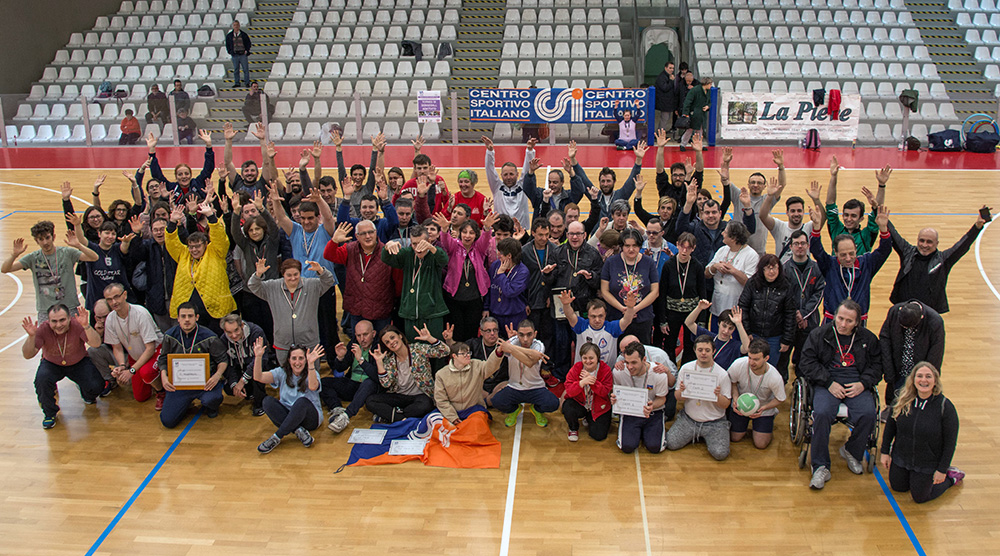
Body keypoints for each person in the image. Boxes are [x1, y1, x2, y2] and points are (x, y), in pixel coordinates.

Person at [799, 300, 881, 490]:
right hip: (827, 383)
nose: (843, 324)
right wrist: (828, 383)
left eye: (849, 321)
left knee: (868, 413)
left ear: (857, 323)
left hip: (856, 384)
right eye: (840, 318)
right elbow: (807, 363)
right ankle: (820, 466)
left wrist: (863, 384)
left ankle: (852, 450)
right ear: (834, 316)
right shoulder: (819, 335)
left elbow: (877, 366)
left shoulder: (868, 339)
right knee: (821, 413)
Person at [270, 185, 340, 357]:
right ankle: (309, 357)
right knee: (307, 324)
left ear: (317, 217)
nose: (307, 222)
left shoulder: (326, 230)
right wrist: (275, 202)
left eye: (310, 218)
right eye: (303, 218)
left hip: (324, 286)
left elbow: (329, 217)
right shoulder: (295, 230)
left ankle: (332, 358)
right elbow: (281, 218)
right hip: (303, 288)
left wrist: (319, 200)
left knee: (328, 325)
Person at [880, 363, 963, 504]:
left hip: (927, 462)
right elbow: (890, 428)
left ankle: (951, 477)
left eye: (928, 376)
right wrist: (884, 452)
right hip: (902, 457)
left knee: (920, 497)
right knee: (898, 487)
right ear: (913, 379)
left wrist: (941, 470)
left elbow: (950, 443)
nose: (923, 380)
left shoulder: (945, 407)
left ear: (935, 380)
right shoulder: (902, 400)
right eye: (919, 376)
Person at [886, 211, 986, 314]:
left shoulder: (943, 260)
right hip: (904, 310)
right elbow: (893, 234)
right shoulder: (907, 252)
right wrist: (877, 210)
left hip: (928, 314)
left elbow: (962, 246)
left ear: (937, 243)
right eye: (922, 241)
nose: (924, 245)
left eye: (929, 242)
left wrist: (976, 227)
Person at [22, 305, 104, 429]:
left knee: (97, 385)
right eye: (54, 321)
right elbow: (28, 355)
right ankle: (50, 414)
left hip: (78, 362)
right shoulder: (43, 329)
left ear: (69, 318)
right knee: (41, 380)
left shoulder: (78, 325)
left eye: (62, 320)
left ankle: (87, 394)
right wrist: (31, 336)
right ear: (48, 321)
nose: (58, 325)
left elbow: (96, 343)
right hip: (52, 364)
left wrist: (86, 326)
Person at [809, 204, 891, 323]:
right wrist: (816, 228)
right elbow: (817, 250)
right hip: (833, 319)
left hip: (857, 321)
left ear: (856, 250)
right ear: (835, 252)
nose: (848, 258)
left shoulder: (866, 263)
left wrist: (883, 229)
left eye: (851, 253)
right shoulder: (830, 264)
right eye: (843, 255)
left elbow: (885, 250)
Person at [3, 219, 97, 322]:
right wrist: (14, 255)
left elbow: (94, 257)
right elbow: (5, 269)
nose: (45, 242)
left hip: (69, 306)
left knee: (73, 337)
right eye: (41, 239)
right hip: (46, 310)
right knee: (45, 338)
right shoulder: (33, 258)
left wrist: (79, 245)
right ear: (36, 241)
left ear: (54, 237)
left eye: (47, 237)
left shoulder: (67, 253)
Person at [165, 200, 236, 333]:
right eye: (191, 247)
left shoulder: (215, 251)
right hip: (190, 314)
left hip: (215, 311)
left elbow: (220, 237)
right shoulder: (183, 254)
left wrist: (211, 217)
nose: (194, 250)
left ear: (205, 244)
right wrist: (172, 223)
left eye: (198, 246)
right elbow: (171, 242)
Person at [248, 258, 335, 365]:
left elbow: (329, 281)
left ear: (300, 272)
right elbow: (253, 286)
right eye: (289, 275)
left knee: (312, 375)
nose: (293, 278)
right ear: (283, 274)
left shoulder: (312, 285)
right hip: (283, 343)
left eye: (296, 274)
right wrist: (258, 274)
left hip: (309, 342)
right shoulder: (272, 287)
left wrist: (321, 271)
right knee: (286, 376)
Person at [157, 303, 229, 428]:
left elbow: (223, 360)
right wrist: (164, 377)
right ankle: (184, 404)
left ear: (197, 317)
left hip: (205, 383)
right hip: (179, 384)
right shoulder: (169, 336)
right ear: (178, 318)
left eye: (190, 316)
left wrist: (217, 376)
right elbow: (163, 359)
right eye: (183, 316)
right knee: (167, 421)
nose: (186, 320)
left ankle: (211, 407)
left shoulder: (209, 337)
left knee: (212, 400)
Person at [324, 220, 395, 339]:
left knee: (381, 344)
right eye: (363, 234)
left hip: (381, 309)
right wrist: (334, 241)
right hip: (357, 309)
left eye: (370, 232)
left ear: (376, 232)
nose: (368, 236)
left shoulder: (387, 251)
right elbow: (329, 255)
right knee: (359, 344)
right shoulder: (350, 249)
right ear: (357, 236)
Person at [432, 212, 496, 343]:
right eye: (465, 232)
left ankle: (470, 358)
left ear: (475, 235)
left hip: (474, 299)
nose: (467, 236)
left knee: (472, 332)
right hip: (454, 298)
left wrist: (487, 228)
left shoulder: (479, 248)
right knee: (457, 332)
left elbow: (485, 239)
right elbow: (445, 241)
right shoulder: (454, 246)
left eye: (471, 233)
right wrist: (444, 230)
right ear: (460, 233)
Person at [665, 334, 733, 459]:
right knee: (670, 443)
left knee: (720, 454)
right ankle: (695, 434)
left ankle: (710, 435)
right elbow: (677, 397)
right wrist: (683, 392)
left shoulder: (722, 374)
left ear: (713, 351)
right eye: (700, 350)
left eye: (707, 350)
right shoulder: (686, 369)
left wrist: (717, 396)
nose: (703, 353)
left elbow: (726, 404)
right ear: (694, 350)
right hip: (689, 420)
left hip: (715, 422)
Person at [253, 339, 324, 453]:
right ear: (289, 360)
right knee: (267, 401)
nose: (297, 362)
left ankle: (276, 437)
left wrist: (311, 364)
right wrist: (258, 357)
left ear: (305, 360)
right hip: (288, 416)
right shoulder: (282, 372)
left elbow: (313, 387)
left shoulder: (312, 372)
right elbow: (258, 377)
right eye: (294, 358)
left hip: (310, 418)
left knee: (301, 402)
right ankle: (297, 430)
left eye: (301, 358)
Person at [367, 325, 450, 422]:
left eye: (392, 337)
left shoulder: (417, 349)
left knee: (425, 405)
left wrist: (429, 338)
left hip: (420, 396)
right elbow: (386, 384)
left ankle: (393, 416)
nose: (391, 343)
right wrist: (379, 363)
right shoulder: (388, 359)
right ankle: (401, 417)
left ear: (400, 336)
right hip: (400, 396)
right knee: (370, 401)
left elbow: (445, 351)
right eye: (387, 342)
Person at [382, 225, 449, 341]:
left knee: (436, 349)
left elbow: (444, 260)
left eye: (421, 243)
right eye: (414, 244)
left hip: (432, 312)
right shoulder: (407, 254)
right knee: (414, 350)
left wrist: (431, 248)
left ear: (428, 241)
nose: (418, 248)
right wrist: (387, 247)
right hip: (410, 313)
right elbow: (387, 259)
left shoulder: (434, 255)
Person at [103, 282, 165, 407]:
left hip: (156, 352)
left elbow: (150, 348)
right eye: (109, 299)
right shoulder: (110, 319)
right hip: (135, 357)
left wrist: (131, 370)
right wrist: (121, 366)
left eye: (117, 297)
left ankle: (161, 392)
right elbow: (117, 347)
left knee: (146, 372)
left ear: (124, 295)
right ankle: (151, 381)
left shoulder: (140, 313)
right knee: (140, 397)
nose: (114, 302)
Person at [879, 300, 945, 411]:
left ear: (921, 317)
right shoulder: (894, 312)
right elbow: (885, 338)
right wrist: (888, 370)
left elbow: (935, 355)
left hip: (918, 371)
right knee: (895, 403)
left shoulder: (935, 321)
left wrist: (925, 377)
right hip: (897, 368)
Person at [490, 320, 558, 427]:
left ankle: (536, 409)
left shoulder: (539, 345)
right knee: (496, 401)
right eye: (521, 335)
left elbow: (530, 362)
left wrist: (511, 348)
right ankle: (514, 410)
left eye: (529, 335)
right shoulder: (512, 341)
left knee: (553, 404)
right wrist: (513, 347)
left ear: (535, 334)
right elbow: (501, 350)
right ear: (517, 334)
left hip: (536, 387)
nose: (525, 339)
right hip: (514, 387)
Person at [778, 230, 825, 382]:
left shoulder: (817, 268)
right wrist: (796, 314)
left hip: (809, 321)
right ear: (790, 247)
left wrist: (804, 314)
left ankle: (802, 382)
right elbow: (784, 296)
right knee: (784, 354)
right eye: (796, 244)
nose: (800, 247)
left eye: (803, 243)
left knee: (805, 353)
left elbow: (818, 294)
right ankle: (782, 383)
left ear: (808, 245)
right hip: (789, 322)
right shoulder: (784, 269)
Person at [719, 147, 786, 255]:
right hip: (736, 249)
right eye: (753, 182)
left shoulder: (767, 200)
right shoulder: (739, 195)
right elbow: (725, 180)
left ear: (764, 186)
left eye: (759, 183)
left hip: (758, 251)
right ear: (748, 184)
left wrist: (781, 167)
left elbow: (782, 185)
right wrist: (726, 163)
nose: (755, 185)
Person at [676, 180, 757, 267]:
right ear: (702, 214)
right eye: (707, 213)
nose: (711, 215)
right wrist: (688, 203)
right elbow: (680, 229)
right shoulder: (695, 227)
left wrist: (747, 206)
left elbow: (749, 230)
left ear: (720, 213)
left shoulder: (728, 228)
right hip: (700, 275)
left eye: (714, 212)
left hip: (723, 274)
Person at [601, 229, 660, 345]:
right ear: (621, 246)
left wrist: (633, 309)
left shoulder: (648, 263)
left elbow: (655, 291)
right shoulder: (611, 262)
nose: (631, 249)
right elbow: (604, 290)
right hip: (617, 317)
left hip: (642, 317)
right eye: (627, 246)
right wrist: (623, 309)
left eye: (635, 245)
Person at [819, 159, 889, 255]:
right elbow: (830, 204)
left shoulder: (866, 236)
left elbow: (878, 215)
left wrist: (881, 186)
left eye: (853, 216)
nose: (849, 219)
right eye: (846, 215)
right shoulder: (837, 230)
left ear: (861, 219)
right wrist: (833, 176)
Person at [727, 338, 787, 449]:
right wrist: (735, 398)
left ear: (766, 358)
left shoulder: (775, 377)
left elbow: (781, 398)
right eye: (749, 358)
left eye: (756, 359)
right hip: (741, 405)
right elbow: (732, 382)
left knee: (760, 444)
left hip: (763, 408)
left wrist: (764, 408)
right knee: (735, 438)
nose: (751, 362)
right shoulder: (739, 364)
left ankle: (769, 418)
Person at [611, 342, 670, 453]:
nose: (629, 367)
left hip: (653, 413)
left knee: (655, 448)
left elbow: (662, 399)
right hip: (630, 412)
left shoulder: (659, 373)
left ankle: (646, 432)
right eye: (627, 362)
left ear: (644, 359)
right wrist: (614, 399)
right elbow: (616, 394)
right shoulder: (619, 372)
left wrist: (652, 406)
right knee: (627, 447)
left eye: (634, 362)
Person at [655, 232, 704, 365]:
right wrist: (662, 320)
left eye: (688, 248)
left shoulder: (697, 266)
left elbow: (703, 294)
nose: (684, 250)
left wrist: (701, 321)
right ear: (677, 245)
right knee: (669, 344)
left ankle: (685, 372)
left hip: (691, 314)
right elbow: (662, 293)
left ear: (693, 248)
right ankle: (670, 371)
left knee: (690, 345)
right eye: (682, 246)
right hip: (672, 313)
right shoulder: (669, 265)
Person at [324, 320, 382, 433]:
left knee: (369, 383)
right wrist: (340, 358)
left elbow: (377, 377)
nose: (362, 339)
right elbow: (341, 368)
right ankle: (337, 408)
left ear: (373, 334)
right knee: (323, 382)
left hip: (371, 387)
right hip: (352, 384)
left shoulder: (379, 348)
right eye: (359, 335)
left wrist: (361, 360)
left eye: (365, 335)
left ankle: (346, 416)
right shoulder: (353, 344)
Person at [738, 254, 796, 363]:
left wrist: (786, 340)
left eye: (774, 268)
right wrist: (747, 331)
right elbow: (743, 307)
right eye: (768, 268)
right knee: (753, 365)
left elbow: (790, 314)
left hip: (775, 337)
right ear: (762, 269)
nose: (771, 271)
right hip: (754, 334)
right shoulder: (752, 283)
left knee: (771, 368)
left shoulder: (786, 286)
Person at [434, 341, 504, 427]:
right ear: (454, 356)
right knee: (433, 424)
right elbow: (441, 400)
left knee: (476, 426)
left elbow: (491, 366)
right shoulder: (441, 374)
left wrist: (498, 352)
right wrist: (453, 417)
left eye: (468, 353)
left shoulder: (477, 365)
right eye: (463, 354)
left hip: (473, 410)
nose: (468, 355)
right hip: (451, 411)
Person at [706, 220, 758, 331]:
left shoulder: (751, 255)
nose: (722, 234)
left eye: (725, 232)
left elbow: (750, 283)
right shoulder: (722, 250)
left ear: (733, 238)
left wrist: (733, 271)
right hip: (717, 308)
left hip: (737, 312)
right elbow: (706, 274)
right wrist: (715, 266)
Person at [560, 291, 636, 367]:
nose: (597, 320)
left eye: (600, 316)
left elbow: (627, 320)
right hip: (582, 372)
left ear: (605, 315)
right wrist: (566, 305)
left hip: (607, 374)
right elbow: (570, 315)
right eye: (593, 316)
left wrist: (630, 307)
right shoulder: (581, 326)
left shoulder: (612, 328)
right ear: (588, 315)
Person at [220, 312, 273, 417]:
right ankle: (248, 392)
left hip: (258, 365)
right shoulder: (223, 340)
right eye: (229, 332)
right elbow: (229, 365)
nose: (234, 335)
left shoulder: (256, 332)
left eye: (236, 330)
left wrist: (242, 380)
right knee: (229, 388)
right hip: (241, 368)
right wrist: (235, 384)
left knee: (257, 374)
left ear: (242, 326)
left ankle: (260, 403)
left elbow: (261, 360)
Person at [562, 342, 614, 442]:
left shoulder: (605, 370)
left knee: (598, 436)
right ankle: (573, 428)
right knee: (567, 407)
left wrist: (592, 382)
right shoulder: (576, 368)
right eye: (585, 358)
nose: (588, 361)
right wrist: (581, 383)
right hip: (581, 403)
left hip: (599, 406)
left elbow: (604, 392)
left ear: (598, 358)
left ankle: (589, 417)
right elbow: (569, 391)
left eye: (591, 358)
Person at [146, 131, 215, 203]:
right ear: (176, 177)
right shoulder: (171, 188)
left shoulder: (198, 184)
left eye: (186, 173)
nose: (184, 176)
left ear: (191, 175)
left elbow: (208, 169)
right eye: (180, 174)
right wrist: (152, 151)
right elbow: (157, 175)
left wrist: (209, 146)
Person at [483, 136, 537, 229]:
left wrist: (529, 151)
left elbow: (528, 169)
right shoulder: (496, 187)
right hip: (501, 231)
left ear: (517, 174)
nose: (508, 177)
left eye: (511, 174)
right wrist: (490, 152)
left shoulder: (523, 186)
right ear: (501, 175)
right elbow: (489, 169)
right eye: (505, 174)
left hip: (521, 231)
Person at [684, 300, 751, 370]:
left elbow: (747, 348)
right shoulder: (708, 336)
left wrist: (738, 323)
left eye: (730, 328)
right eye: (724, 326)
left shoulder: (734, 346)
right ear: (718, 323)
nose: (726, 331)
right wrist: (699, 308)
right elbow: (689, 323)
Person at [487, 238, 530, 333]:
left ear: (509, 256)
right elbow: (489, 288)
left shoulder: (523, 272)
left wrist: (501, 274)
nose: (498, 255)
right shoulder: (495, 265)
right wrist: (486, 308)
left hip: (514, 315)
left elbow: (510, 291)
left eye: (501, 253)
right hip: (495, 314)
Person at [680, 77, 712, 150]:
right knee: (690, 129)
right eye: (710, 84)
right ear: (706, 83)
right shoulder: (695, 90)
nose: (711, 86)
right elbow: (687, 102)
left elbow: (709, 102)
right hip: (694, 113)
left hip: (701, 113)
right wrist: (685, 113)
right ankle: (683, 144)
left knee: (699, 129)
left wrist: (708, 106)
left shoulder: (708, 91)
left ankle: (698, 144)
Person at [225, 20, 252, 88]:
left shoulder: (244, 34)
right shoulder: (229, 36)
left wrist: (246, 50)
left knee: (245, 69)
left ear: (239, 26)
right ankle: (237, 83)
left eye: (237, 25)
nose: (236, 26)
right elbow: (227, 45)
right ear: (233, 26)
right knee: (236, 69)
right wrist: (230, 52)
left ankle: (247, 82)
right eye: (234, 25)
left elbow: (248, 43)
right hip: (235, 55)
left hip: (243, 54)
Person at [654, 61, 678, 134]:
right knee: (664, 119)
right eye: (670, 68)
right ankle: (660, 134)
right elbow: (665, 88)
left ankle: (661, 133)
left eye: (673, 68)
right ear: (665, 68)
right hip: (664, 102)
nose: (671, 70)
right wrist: (671, 81)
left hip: (668, 102)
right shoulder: (662, 77)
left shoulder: (667, 76)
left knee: (666, 119)